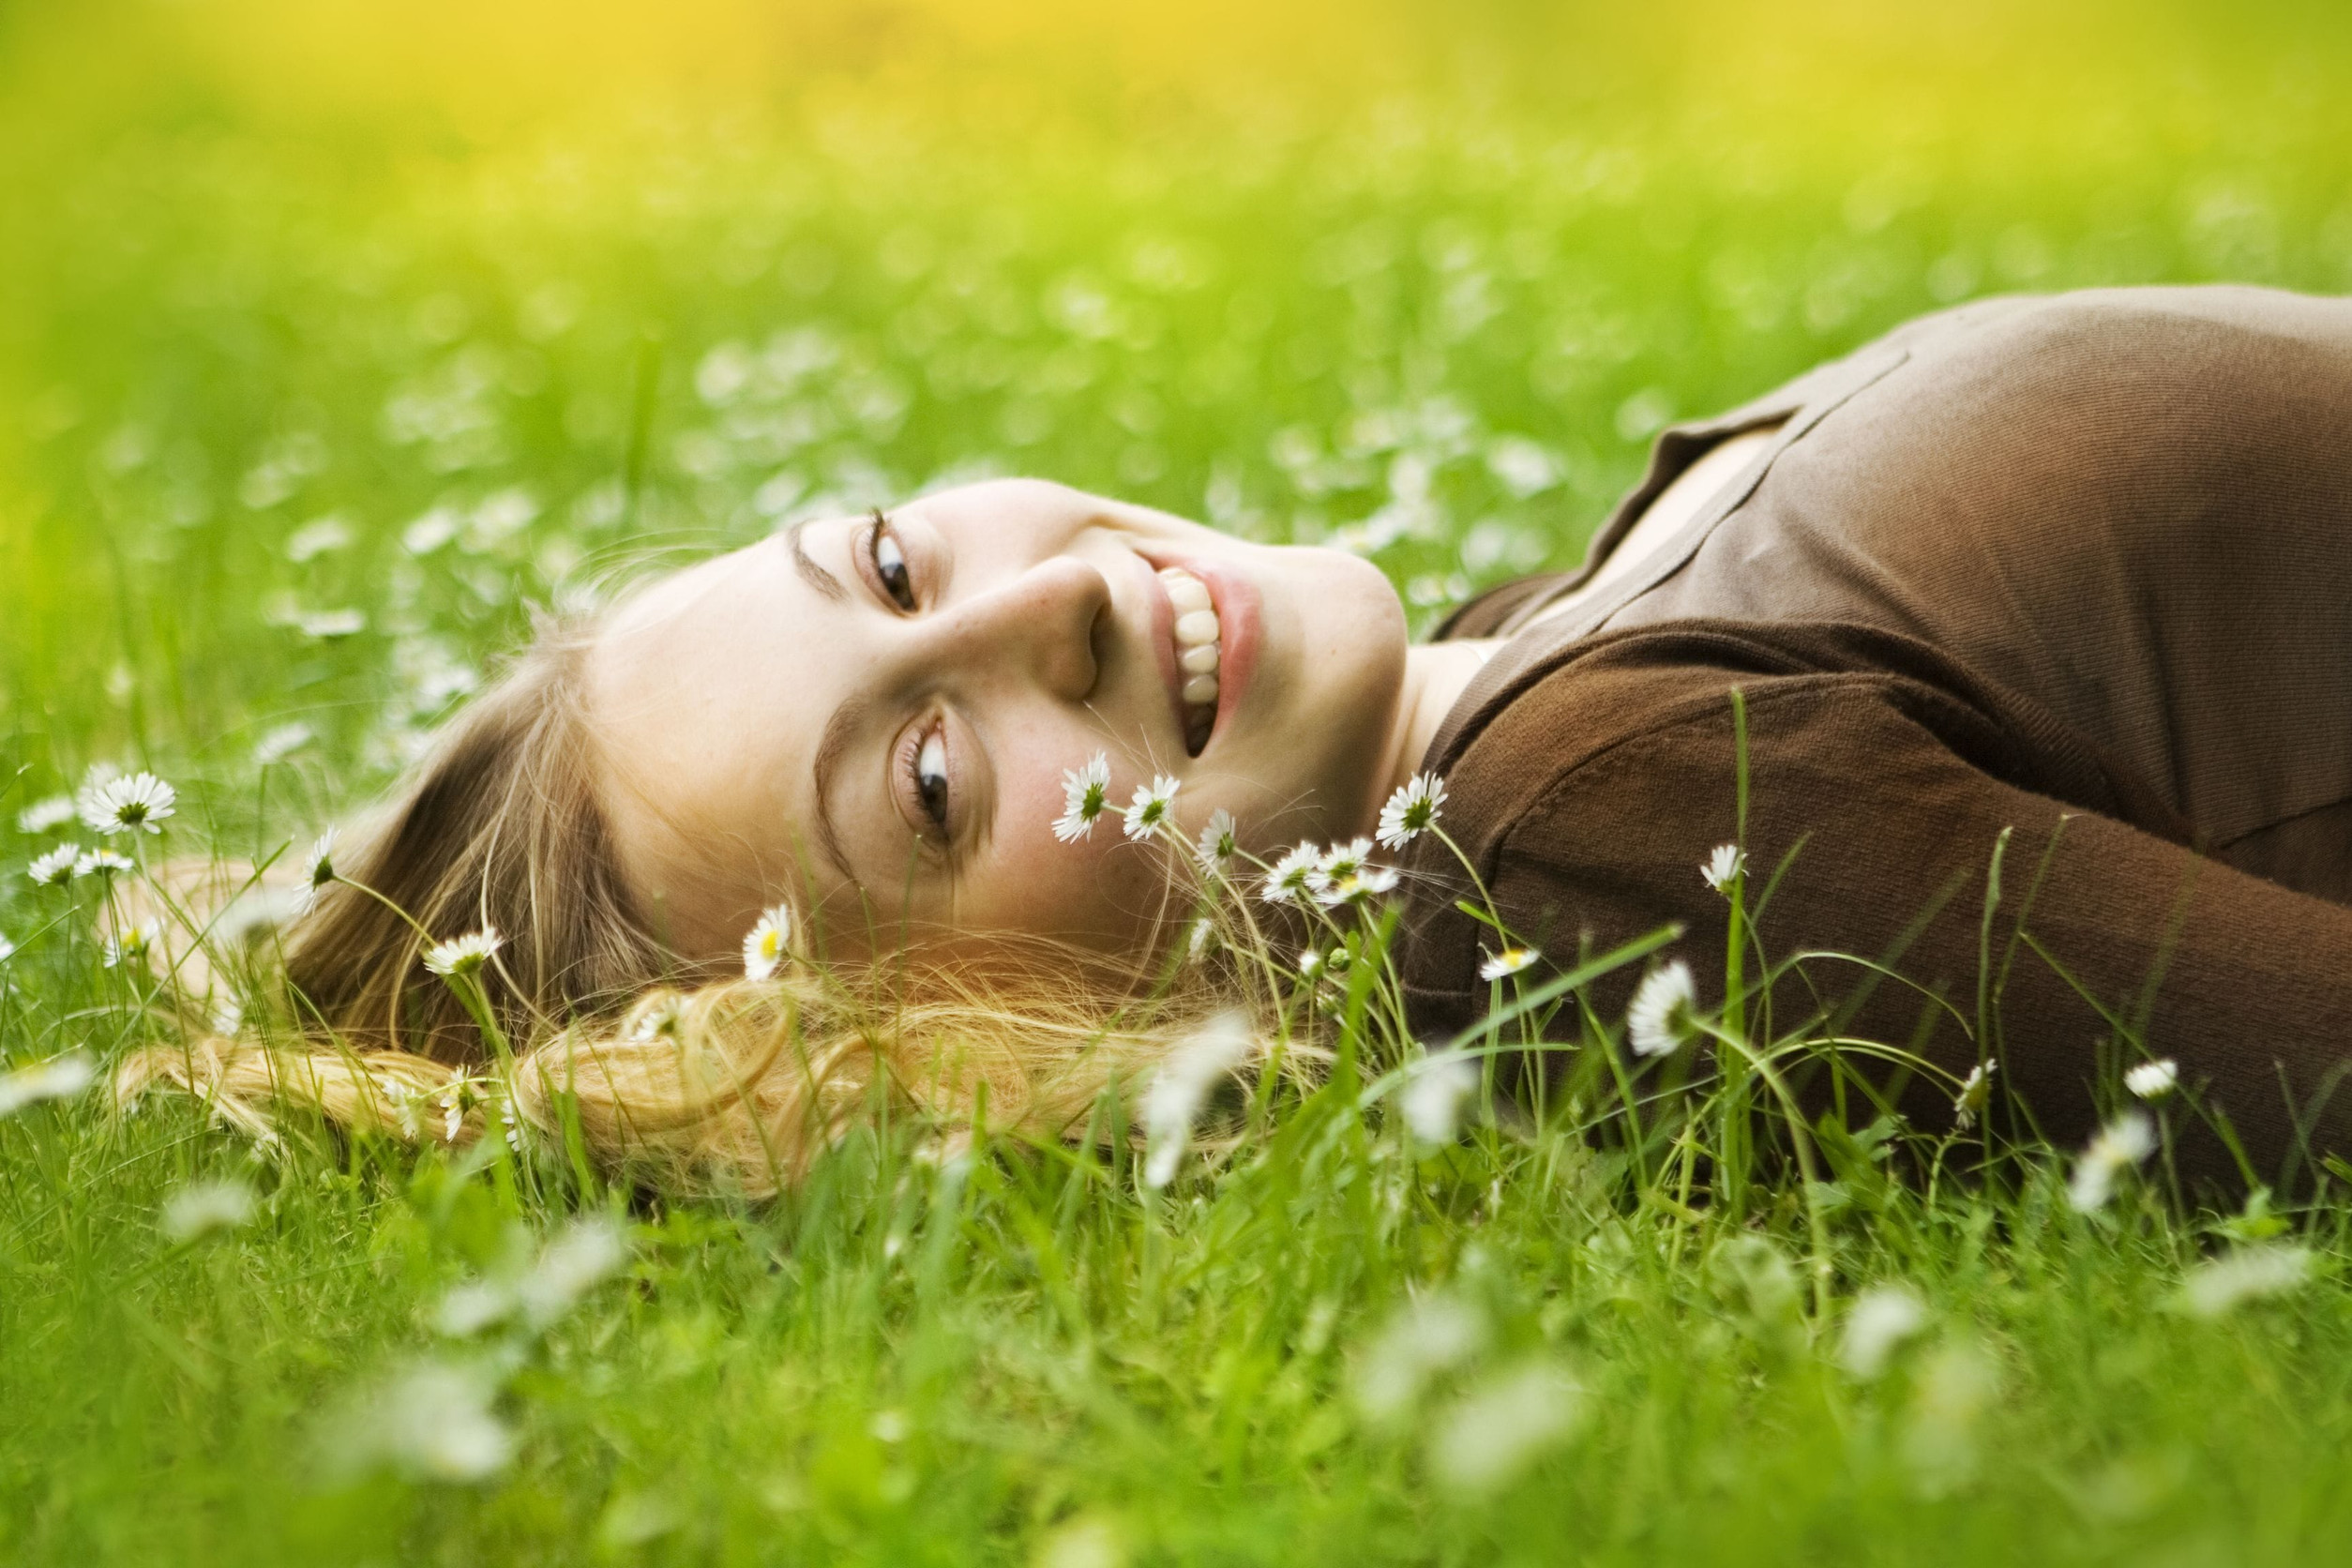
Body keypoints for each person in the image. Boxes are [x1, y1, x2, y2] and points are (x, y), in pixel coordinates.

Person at [126, 284, 2352, 1197]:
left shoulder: (1528, 657)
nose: (1044, 603)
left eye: (894, 562)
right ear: (992, 1031)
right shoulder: (1585, 832)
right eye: (929, 778)